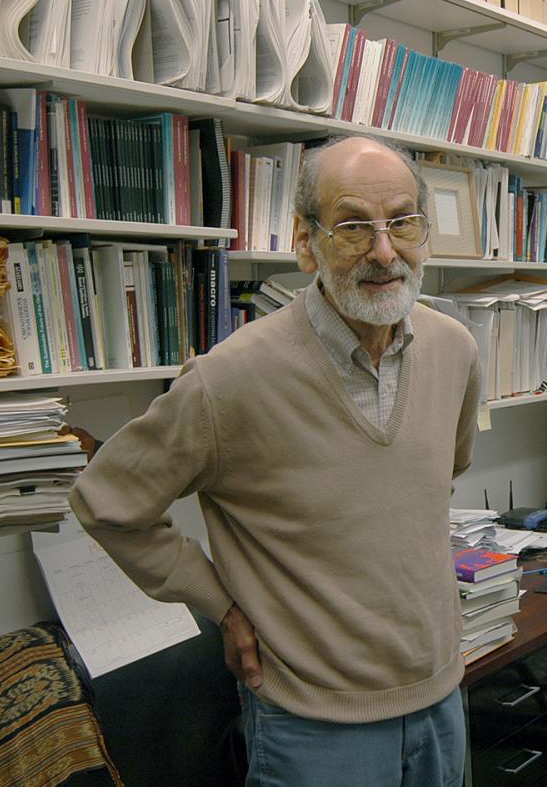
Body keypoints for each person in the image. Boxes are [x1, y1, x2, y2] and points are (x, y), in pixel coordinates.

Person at [70, 135, 481, 785]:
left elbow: (435, 476)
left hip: (441, 702)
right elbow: (107, 502)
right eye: (352, 226)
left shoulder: (454, 349)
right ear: (304, 239)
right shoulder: (229, 379)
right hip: (310, 726)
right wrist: (221, 605)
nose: (383, 250)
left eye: (403, 222)